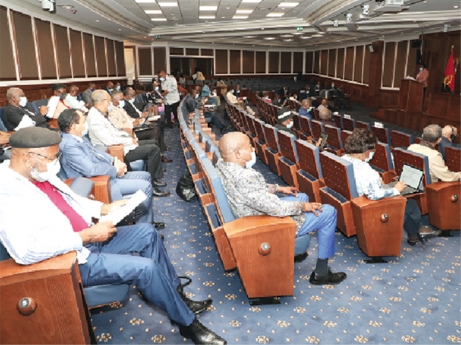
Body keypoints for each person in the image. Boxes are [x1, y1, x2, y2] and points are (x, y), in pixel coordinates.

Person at [0, 127, 226, 345]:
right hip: (71, 259)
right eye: (51, 158)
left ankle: (177, 296)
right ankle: (188, 324)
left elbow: (72, 201)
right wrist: (85, 236)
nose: (55, 163)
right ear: (29, 157)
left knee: (147, 232)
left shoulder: (39, 173)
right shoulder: (7, 192)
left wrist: (102, 209)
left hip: (88, 240)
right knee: (145, 268)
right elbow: (25, 252)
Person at [215, 132, 347, 286]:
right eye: (249, 146)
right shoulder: (245, 176)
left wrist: (279, 188)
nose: (253, 149)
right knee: (329, 212)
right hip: (261, 223)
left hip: (250, 212)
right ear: (238, 153)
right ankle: (322, 273)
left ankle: (294, 252)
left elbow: (251, 191)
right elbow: (275, 208)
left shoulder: (222, 165)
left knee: (301, 196)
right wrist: (303, 207)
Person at [58, 109, 164, 229]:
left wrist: (114, 161)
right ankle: (144, 227)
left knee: (146, 176)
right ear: (74, 126)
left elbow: (96, 152)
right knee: (145, 186)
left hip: (103, 174)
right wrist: (114, 169)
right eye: (83, 121)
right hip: (97, 183)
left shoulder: (77, 137)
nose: (85, 123)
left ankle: (145, 220)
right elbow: (90, 170)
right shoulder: (69, 145)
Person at [341, 128, 440, 245]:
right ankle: (414, 234)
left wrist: (379, 181)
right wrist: (395, 189)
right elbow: (374, 195)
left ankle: (414, 235)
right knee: (411, 205)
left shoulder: (344, 159)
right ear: (366, 151)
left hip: (355, 199)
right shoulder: (366, 170)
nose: (373, 153)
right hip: (369, 204)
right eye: (373, 150)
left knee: (405, 200)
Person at [87, 90, 170, 197]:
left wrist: (128, 139)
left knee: (153, 142)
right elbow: (109, 141)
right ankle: (152, 186)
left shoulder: (100, 114)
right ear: (102, 101)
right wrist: (129, 140)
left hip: (121, 145)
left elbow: (115, 132)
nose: (110, 104)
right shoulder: (95, 118)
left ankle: (153, 178)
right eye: (108, 101)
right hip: (115, 152)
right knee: (153, 150)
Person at [120, 89, 170, 157]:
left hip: (140, 119)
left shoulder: (129, 103)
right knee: (155, 128)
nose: (135, 97)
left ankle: (162, 147)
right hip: (135, 125)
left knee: (160, 122)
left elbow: (136, 112)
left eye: (135, 95)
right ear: (128, 95)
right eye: (133, 95)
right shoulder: (124, 105)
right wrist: (140, 117)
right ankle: (157, 153)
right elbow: (133, 117)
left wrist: (142, 114)